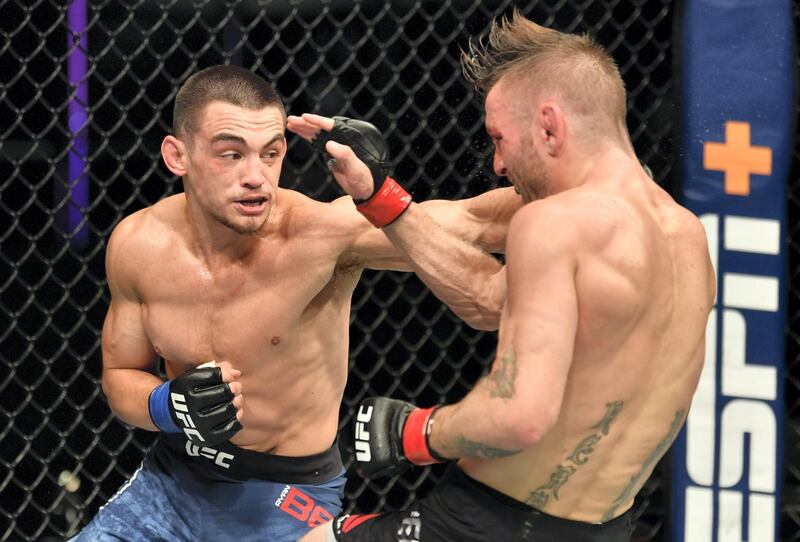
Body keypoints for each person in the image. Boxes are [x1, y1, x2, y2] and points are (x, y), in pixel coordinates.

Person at [298, 10, 716, 542]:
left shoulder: (552, 223)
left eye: (499, 137)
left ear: (549, 125)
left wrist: (417, 431)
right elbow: (489, 297)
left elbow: (520, 416)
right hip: (605, 527)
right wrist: (376, 193)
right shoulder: (687, 237)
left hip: (487, 522)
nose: (496, 161)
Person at [69, 65, 521, 542]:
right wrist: (166, 405)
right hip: (170, 484)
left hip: (284, 497)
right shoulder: (138, 244)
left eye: (270, 154)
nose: (255, 177)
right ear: (176, 155)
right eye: (230, 154)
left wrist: (598, 181)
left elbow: (479, 222)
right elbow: (120, 377)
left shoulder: (321, 235)